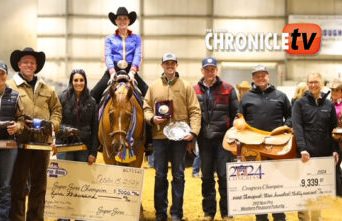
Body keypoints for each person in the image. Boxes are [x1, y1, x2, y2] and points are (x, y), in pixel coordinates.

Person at [143, 52, 201, 221]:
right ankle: (160, 213)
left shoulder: (186, 86)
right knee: (160, 175)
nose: (169, 66)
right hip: (159, 137)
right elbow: (146, 107)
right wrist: (151, 118)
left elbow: (195, 110)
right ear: (162, 66)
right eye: (166, 63)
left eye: (172, 63)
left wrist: (193, 132)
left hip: (180, 139)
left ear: (176, 65)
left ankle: (176, 213)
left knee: (179, 175)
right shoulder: (153, 86)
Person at [8, 47, 62, 221]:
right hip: (19, 144)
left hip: (42, 144)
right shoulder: (10, 86)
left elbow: (57, 110)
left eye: (32, 62)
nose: (29, 65)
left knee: (39, 186)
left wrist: (52, 125)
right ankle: (17, 218)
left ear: (36, 65)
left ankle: (36, 218)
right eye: (25, 62)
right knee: (18, 185)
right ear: (19, 64)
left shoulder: (48, 89)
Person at [239, 65, 291, 221]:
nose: (260, 77)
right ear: (253, 78)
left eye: (263, 75)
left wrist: (284, 129)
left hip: (276, 146)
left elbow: (290, 117)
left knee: (277, 182)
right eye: (257, 75)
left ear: (268, 76)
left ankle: (279, 216)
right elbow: (240, 120)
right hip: (253, 147)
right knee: (257, 183)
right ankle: (261, 216)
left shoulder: (281, 96)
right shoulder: (246, 98)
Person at [194, 57, 238, 221]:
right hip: (204, 140)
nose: (210, 72)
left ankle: (227, 212)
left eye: (212, 69)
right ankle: (209, 212)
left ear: (216, 70)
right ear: (202, 71)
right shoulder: (194, 90)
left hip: (223, 141)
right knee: (206, 178)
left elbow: (236, 115)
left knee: (224, 177)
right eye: (207, 69)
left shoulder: (228, 89)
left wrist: (232, 137)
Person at [292, 73, 339, 221]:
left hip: (324, 154)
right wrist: (302, 148)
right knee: (304, 189)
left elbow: (332, 129)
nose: (313, 85)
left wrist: (335, 150)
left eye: (316, 82)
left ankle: (317, 217)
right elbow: (297, 127)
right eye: (310, 82)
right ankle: (303, 218)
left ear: (322, 83)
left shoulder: (329, 105)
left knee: (318, 189)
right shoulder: (299, 103)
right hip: (306, 154)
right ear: (307, 84)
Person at [91, 6, 148, 103]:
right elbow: (108, 55)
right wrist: (112, 71)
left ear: (129, 20)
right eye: (119, 19)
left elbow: (137, 55)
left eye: (125, 18)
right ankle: (95, 117)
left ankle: (148, 117)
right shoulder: (109, 39)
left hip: (130, 70)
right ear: (116, 21)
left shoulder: (136, 38)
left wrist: (132, 72)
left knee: (148, 92)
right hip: (113, 69)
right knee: (93, 94)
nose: (122, 21)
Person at [57, 69, 98, 164]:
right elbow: (56, 121)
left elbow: (95, 128)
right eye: (76, 80)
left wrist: (93, 153)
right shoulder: (61, 98)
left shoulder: (92, 102)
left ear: (85, 82)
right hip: (64, 146)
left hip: (84, 147)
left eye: (81, 80)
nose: (79, 83)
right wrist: (65, 130)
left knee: (81, 178)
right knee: (65, 177)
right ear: (71, 82)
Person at [0, 61, 23, 221]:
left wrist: (18, 126)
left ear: (6, 75)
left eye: (1, 73)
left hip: (9, 146)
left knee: (5, 186)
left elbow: (22, 119)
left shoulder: (15, 96)